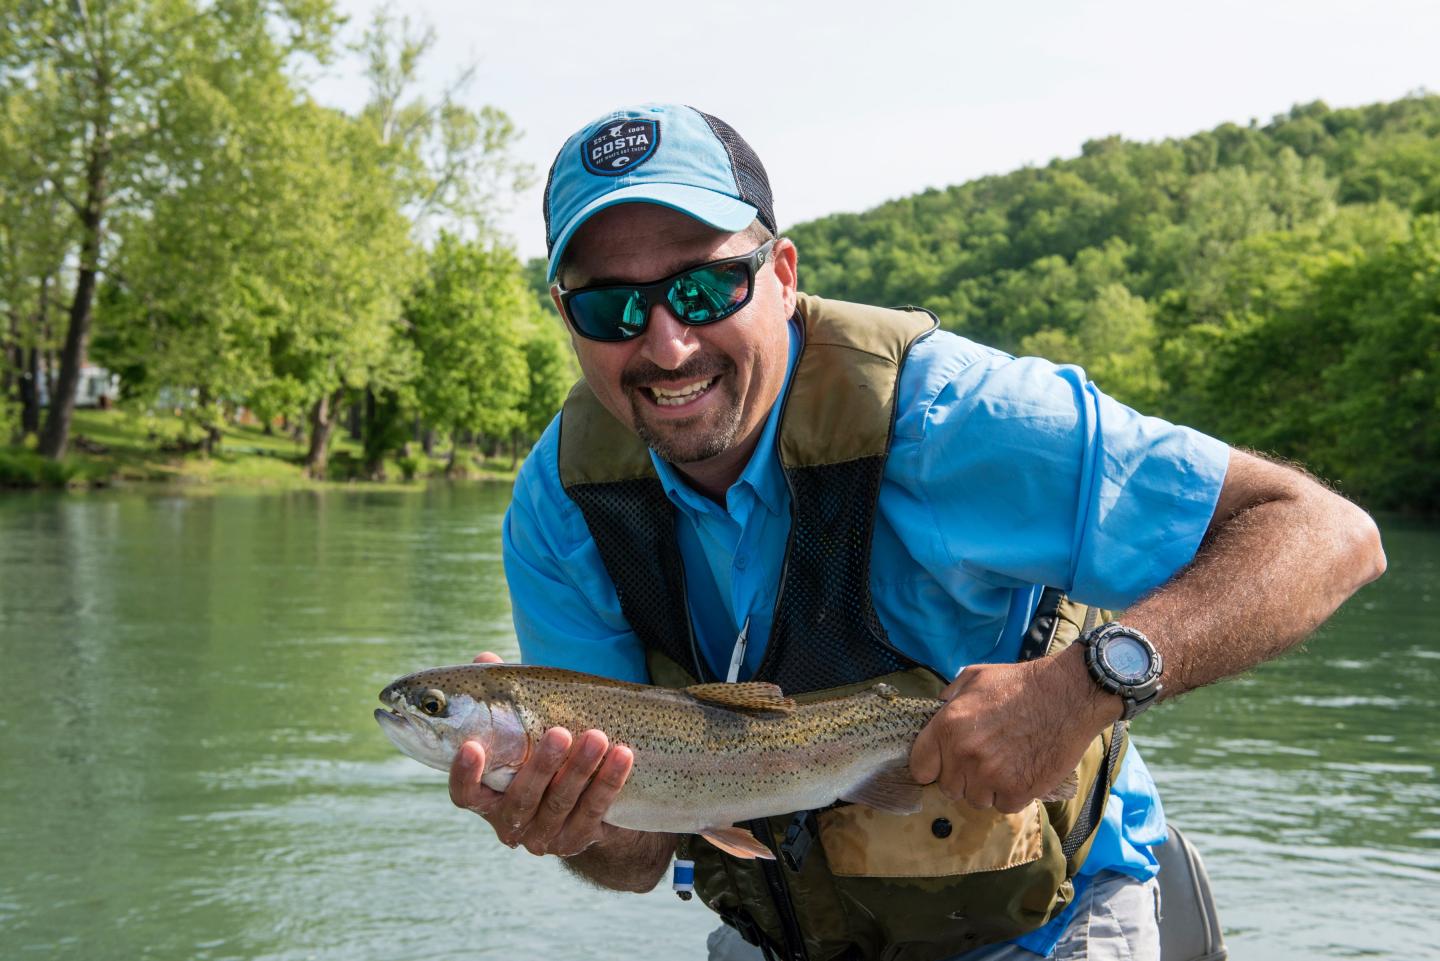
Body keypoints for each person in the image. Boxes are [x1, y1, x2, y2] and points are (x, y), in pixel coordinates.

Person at [446, 103, 1386, 961]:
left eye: (704, 289)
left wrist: (1089, 682)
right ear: (568, 320)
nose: (666, 344)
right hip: (793, 937)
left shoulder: (949, 417)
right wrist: (575, 821)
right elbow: (640, 853)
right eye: (611, 306)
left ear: (780, 276)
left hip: (1054, 924)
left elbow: (1325, 532)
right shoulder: (563, 502)